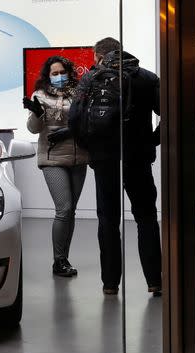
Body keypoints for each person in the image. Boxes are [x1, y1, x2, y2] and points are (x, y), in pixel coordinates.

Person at [70, 37, 162, 296]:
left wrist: (89, 146)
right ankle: (155, 280)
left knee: (108, 220)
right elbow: (168, 112)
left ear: (100, 56)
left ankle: (110, 284)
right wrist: (152, 140)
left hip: (104, 159)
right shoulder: (147, 77)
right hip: (138, 156)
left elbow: (75, 117)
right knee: (145, 218)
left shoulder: (91, 78)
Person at [23, 55, 89, 277]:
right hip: (52, 158)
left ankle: (64, 259)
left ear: (69, 73)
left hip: (79, 157)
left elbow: (86, 122)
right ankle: (58, 261)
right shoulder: (40, 95)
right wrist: (36, 113)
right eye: (54, 73)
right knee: (64, 208)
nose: (59, 77)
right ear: (47, 76)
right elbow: (33, 129)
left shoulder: (80, 94)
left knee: (70, 212)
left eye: (62, 72)